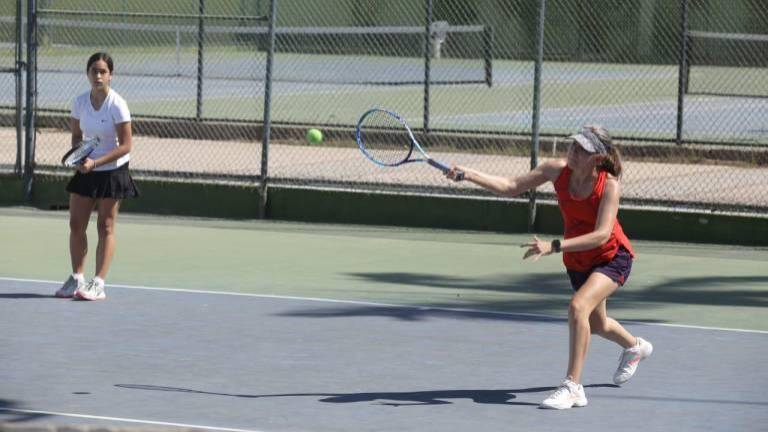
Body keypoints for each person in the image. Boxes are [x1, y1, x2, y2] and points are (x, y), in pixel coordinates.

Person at [446, 125, 652, 410]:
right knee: (596, 324)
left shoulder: (609, 185)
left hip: (611, 257)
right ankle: (635, 347)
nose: (574, 152)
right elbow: (510, 187)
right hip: (580, 261)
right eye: (573, 146)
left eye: (583, 150)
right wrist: (468, 174)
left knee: (578, 307)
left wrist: (554, 246)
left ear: (598, 157)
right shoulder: (556, 170)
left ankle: (572, 386)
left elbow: (602, 235)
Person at [55, 52, 139, 301]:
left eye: (103, 71)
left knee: (106, 226)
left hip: (112, 170)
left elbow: (126, 146)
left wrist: (97, 162)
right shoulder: (80, 102)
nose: (98, 75)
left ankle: (99, 283)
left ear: (110, 75)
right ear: (88, 74)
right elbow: (76, 138)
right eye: (94, 71)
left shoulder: (117, 104)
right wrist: (81, 159)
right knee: (75, 224)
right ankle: (77, 279)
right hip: (88, 168)